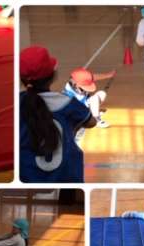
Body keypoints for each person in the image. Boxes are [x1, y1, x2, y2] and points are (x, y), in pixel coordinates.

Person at [20, 45, 96, 183]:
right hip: (67, 176)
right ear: (53, 76)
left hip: (28, 176)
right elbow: (92, 122)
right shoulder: (68, 103)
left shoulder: (19, 102)